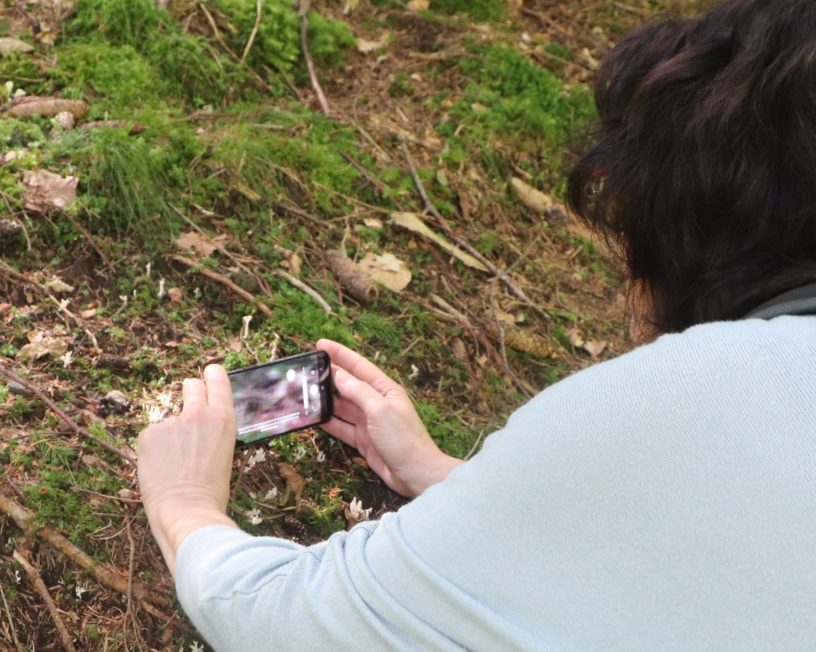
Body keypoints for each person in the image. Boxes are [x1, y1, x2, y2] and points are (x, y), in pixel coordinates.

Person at [136, 0, 816, 649]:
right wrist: (456, 482)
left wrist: (186, 507)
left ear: (677, 223)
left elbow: (294, 622)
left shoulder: (676, 398)